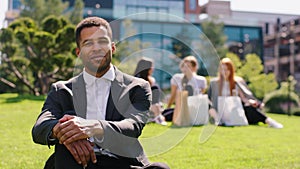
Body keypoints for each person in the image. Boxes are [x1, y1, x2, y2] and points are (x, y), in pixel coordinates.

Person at [32, 16, 170, 169]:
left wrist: (93, 127)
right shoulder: (62, 90)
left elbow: (133, 126)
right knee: (66, 152)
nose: (96, 48)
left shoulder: (137, 87)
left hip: (121, 162)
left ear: (112, 47)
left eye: (102, 41)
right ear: (78, 52)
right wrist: (68, 134)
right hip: (77, 162)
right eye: (88, 43)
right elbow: (40, 127)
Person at [207, 57, 283, 128]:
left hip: (234, 110)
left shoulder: (236, 82)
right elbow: (210, 100)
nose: (225, 72)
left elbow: (243, 98)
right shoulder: (214, 83)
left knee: (249, 108)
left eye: (227, 69)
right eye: (223, 69)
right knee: (209, 105)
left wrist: (251, 101)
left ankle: (268, 121)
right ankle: (218, 121)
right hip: (220, 111)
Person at [165, 56, 207, 124]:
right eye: (183, 66)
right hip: (181, 107)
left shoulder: (201, 80)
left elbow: (200, 96)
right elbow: (173, 95)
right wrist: (168, 107)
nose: (185, 68)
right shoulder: (177, 78)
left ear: (194, 68)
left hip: (194, 107)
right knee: (167, 115)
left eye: (188, 66)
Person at [133, 57, 167, 125]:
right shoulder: (136, 79)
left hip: (152, 106)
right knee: (155, 88)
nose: (153, 68)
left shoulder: (152, 79)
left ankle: (156, 115)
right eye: (152, 66)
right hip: (140, 106)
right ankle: (156, 116)